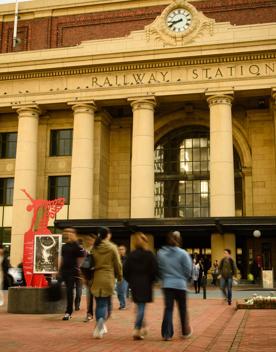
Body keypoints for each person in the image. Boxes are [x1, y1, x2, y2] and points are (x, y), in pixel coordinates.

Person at [157, 230, 193, 341]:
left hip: (167, 284)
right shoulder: (183, 253)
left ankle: (167, 334)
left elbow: (159, 269)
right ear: (179, 240)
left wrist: (164, 278)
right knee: (182, 309)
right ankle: (185, 332)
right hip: (180, 285)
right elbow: (188, 270)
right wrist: (184, 278)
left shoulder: (161, 253)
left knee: (168, 309)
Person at [123, 232, 158, 340]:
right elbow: (154, 271)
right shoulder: (149, 255)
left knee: (139, 307)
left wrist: (131, 280)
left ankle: (143, 326)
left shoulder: (131, 255)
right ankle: (137, 329)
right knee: (141, 307)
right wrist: (151, 281)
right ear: (145, 242)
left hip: (134, 283)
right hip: (146, 284)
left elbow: (125, 271)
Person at [91, 227, 122, 339]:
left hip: (97, 277)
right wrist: (120, 277)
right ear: (107, 235)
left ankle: (100, 323)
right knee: (106, 303)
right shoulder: (112, 247)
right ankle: (101, 323)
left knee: (99, 302)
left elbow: (90, 263)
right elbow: (118, 264)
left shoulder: (94, 247)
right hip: (108, 277)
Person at [59, 227, 85, 320]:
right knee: (57, 286)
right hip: (63, 270)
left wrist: (80, 272)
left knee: (69, 291)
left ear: (74, 233)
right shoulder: (64, 246)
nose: (67, 233)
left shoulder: (77, 246)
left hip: (72, 271)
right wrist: (58, 270)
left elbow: (81, 260)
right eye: (66, 232)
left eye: (69, 232)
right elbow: (62, 259)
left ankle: (68, 312)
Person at [81, 234, 97, 322]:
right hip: (88, 276)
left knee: (98, 297)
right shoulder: (85, 251)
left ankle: (101, 313)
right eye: (88, 239)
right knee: (89, 296)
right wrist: (83, 276)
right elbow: (81, 265)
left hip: (97, 276)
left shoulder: (98, 250)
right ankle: (89, 314)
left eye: (91, 239)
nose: (89, 241)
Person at [116, 245, 128, 310]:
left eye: (122, 249)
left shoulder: (127, 258)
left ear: (125, 250)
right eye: (119, 249)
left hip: (125, 277)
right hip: (118, 277)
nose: (121, 251)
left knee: (123, 291)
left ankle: (123, 305)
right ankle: (122, 304)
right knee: (118, 292)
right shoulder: (117, 259)